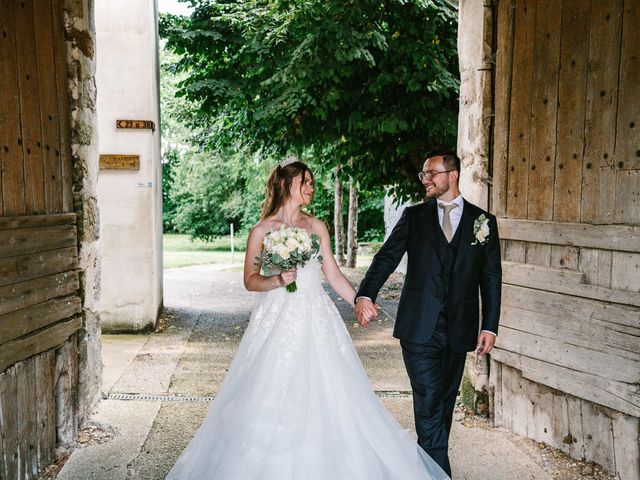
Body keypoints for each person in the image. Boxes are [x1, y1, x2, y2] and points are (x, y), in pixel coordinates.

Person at [165, 158, 449, 479]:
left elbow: (332, 274)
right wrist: (277, 280)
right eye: (306, 182)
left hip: (317, 317)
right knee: (271, 392)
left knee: (332, 392)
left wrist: (360, 300)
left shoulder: (316, 227)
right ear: (287, 185)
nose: (312, 188)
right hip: (276, 321)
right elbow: (250, 279)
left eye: (313, 183)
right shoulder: (262, 231)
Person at [355, 149, 502, 477]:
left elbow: (491, 278)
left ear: (452, 175)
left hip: (459, 330)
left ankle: (427, 469)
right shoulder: (414, 217)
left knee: (444, 404)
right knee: (428, 402)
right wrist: (366, 294)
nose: (425, 179)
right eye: (423, 174)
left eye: (431, 173)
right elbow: (386, 258)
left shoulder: (482, 222)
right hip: (418, 328)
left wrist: (489, 326)